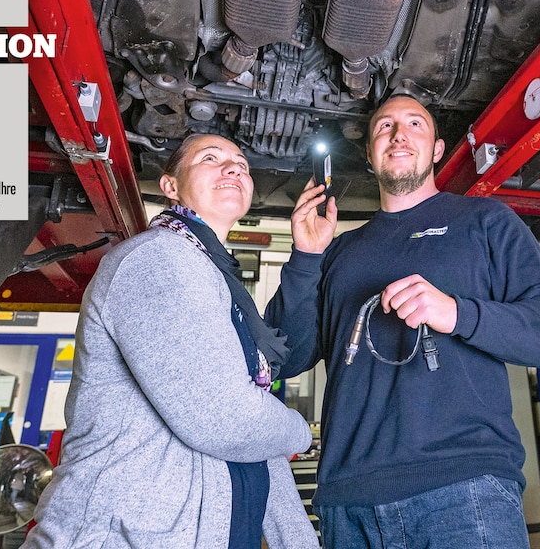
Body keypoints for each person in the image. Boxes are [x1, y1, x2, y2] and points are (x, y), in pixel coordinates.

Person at [266, 94, 540, 547]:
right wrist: (304, 257)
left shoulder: (484, 222)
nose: (398, 135)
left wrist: (456, 312)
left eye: (415, 124)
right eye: (385, 127)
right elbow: (282, 358)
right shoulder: (338, 250)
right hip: (349, 502)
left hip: (463, 490)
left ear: (437, 149)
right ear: (370, 153)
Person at [23, 134, 318, 549]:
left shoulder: (214, 278)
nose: (234, 168)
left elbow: (252, 436)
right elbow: (228, 419)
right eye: (211, 158)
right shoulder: (156, 259)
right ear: (170, 186)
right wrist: (298, 431)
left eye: (242, 164)